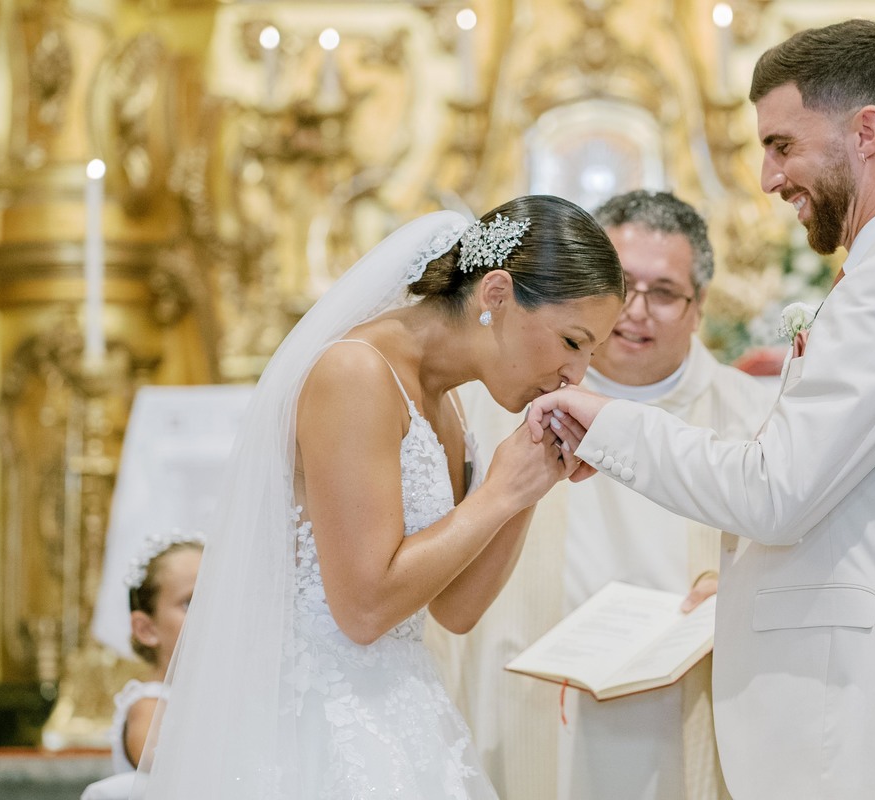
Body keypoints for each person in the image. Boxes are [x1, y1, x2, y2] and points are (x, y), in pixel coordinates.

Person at [528, 20, 875, 800]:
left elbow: (773, 494)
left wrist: (602, 421)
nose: (766, 177)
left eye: (783, 144)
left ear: (866, 131)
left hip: (856, 720)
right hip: (849, 708)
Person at [131, 195, 625, 799]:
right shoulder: (356, 373)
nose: (577, 376)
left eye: (592, 353)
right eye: (573, 342)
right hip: (317, 721)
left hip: (404, 709)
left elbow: (455, 610)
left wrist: (531, 486)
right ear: (496, 294)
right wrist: (500, 491)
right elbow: (363, 609)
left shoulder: (448, 403)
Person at [427, 191, 775, 800]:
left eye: (664, 292)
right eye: (623, 286)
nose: (636, 312)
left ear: (699, 308)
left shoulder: (755, 417)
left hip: (684, 706)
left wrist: (748, 587)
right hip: (523, 697)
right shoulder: (489, 403)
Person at [114, 532, 205, 772]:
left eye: (216, 599)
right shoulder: (150, 704)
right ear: (146, 629)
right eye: (191, 602)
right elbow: (161, 766)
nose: (210, 613)